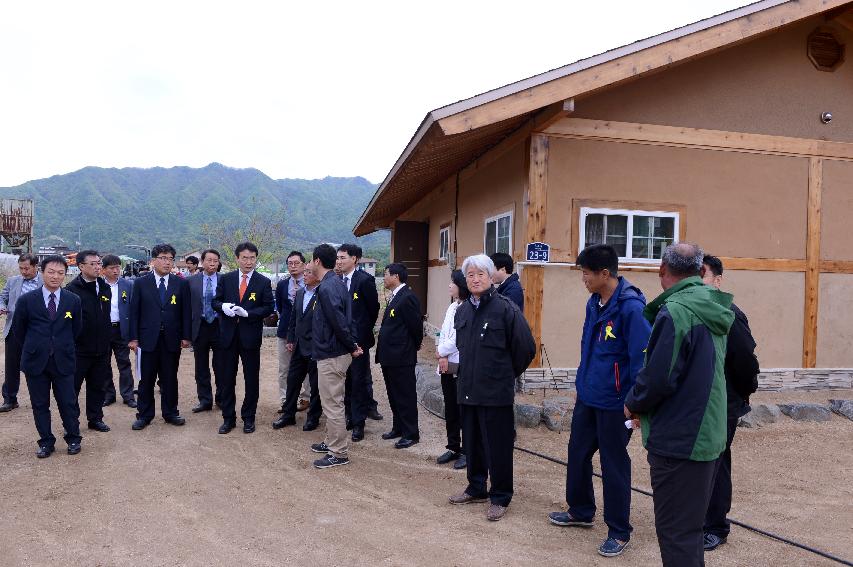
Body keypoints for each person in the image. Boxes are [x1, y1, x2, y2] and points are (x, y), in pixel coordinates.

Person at [624, 243, 733, 567]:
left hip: (682, 438)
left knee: (676, 533)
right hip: (708, 431)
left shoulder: (677, 312)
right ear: (701, 272)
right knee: (688, 530)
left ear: (662, 271)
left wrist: (632, 403)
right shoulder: (713, 305)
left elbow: (659, 377)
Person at [547, 244, 652, 558]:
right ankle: (580, 510)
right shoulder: (594, 302)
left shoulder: (631, 308)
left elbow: (641, 361)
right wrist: (582, 384)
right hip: (589, 397)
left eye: (587, 273)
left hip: (616, 403)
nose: (584, 279)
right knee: (577, 453)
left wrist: (635, 404)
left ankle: (619, 531)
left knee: (613, 464)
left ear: (605, 273)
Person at [449, 254, 536, 522]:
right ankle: (476, 487)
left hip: (495, 393)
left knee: (497, 447)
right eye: (470, 275)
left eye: (481, 274)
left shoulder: (505, 308)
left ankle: (500, 496)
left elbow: (525, 349)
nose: (475, 279)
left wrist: (503, 376)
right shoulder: (462, 310)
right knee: (472, 444)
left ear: (490, 277)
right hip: (468, 390)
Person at [701, 255, 760, 552]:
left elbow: (746, 361)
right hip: (698, 401)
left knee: (717, 461)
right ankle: (698, 518)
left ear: (718, 281)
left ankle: (716, 526)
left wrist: (742, 392)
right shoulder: (690, 310)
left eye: (704, 275)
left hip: (725, 401)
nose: (698, 281)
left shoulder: (729, 315)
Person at [13, 255, 82, 458]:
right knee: (40, 403)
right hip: (36, 360)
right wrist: (36, 346)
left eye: (60, 273)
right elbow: (19, 330)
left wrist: (61, 345)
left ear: (65, 274)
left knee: (68, 401)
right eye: (51, 272)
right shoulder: (27, 300)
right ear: (42, 272)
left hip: (63, 359)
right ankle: (46, 442)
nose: (55, 276)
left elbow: (77, 329)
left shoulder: (73, 300)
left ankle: (73, 438)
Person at [211, 242, 274, 434]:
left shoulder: (263, 281)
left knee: (251, 379)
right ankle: (228, 419)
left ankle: (249, 418)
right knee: (227, 379)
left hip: (250, 337)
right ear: (237, 258)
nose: (248, 261)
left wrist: (249, 313)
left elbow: (268, 307)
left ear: (256, 259)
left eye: (252, 258)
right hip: (228, 337)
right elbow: (215, 301)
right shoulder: (226, 279)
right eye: (245, 258)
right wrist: (223, 308)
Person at [128, 243, 192, 430]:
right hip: (147, 339)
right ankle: (144, 415)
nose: (167, 262)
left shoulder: (181, 283)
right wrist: (133, 338)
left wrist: (186, 336)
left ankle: (171, 412)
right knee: (146, 378)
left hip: (172, 339)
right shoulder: (140, 283)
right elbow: (134, 312)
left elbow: (186, 311)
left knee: (170, 377)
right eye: (163, 258)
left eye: (170, 259)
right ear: (153, 260)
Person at [309, 243, 362, 469]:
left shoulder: (328, 287)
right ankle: (331, 441)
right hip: (334, 351)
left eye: (311, 261)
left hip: (333, 353)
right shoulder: (335, 283)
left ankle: (338, 452)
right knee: (331, 401)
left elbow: (338, 321)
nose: (309, 265)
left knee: (332, 404)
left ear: (317, 261)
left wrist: (351, 345)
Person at [65, 250, 113, 433]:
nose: (97, 267)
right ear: (81, 266)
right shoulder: (71, 290)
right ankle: (71, 422)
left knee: (97, 386)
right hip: (79, 350)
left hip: (101, 348)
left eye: (98, 263)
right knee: (72, 388)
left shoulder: (104, 286)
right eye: (92, 264)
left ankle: (95, 418)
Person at [338, 243, 382, 442]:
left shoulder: (365, 280)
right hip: (340, 340)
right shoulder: (336, 280)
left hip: (359, 341)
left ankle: (358, 423)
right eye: (337, 258)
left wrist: (361, 333)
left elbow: (373, 309)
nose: (339, 261)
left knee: (358, 381)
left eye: (343, 257)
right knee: (344, 380)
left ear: (354, 259)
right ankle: (348, 415)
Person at [376, 263, 423, 449]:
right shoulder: (396, 296)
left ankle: (411, 433)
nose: (384, 278)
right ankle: (398, 427)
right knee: (394, 394)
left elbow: (416, 328)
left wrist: (412, 346)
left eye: (386, 274)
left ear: (395, 276)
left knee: (405, 395)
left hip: (402, 356)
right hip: (390, 356)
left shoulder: (408, 297)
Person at [273, 263, 322, 431]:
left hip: (316, 347)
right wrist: (291, 339)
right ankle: (288, 415)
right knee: (292, 381)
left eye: (309, 272)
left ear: (317, 276)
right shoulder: (300, 293)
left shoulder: (322, 293)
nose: (305, 275)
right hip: (299, 347)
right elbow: (294, 319)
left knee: (315, 385)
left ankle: (313, 418)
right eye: (306, 271)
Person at [0, 253, 42, 413]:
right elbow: (2, 297)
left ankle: (38, 400)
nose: (24, 271)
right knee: (11, 367)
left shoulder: (44, 282)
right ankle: (10, 399)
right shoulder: (13, 281)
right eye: (21, 268)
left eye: (27, 268)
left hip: (36, 331)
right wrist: (1, 306)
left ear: (35, 266)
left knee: (38, 365)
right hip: (14, 329)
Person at [435, 269, 468, 470]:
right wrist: (441, 354)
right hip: (446, 361)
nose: (449, 286)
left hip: (460, 363)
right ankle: (453, 446)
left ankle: (467, 451)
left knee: (463, 410)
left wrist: (441, 352)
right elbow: (444, 331)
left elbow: (458, 337)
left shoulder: (468, 308)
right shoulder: (453, 306)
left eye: (452, 282)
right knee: (451, 407)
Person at [188, 249, 224, 413]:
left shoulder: (225, 280)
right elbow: (186, 308)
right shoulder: (191, 281)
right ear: (202, 262)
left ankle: (222, 399)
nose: (212, 263)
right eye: (209, 260)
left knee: (221, 365)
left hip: (219, 325)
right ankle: (205, 400)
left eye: (215, 260)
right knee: (201, 366)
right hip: (200, 326)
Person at [274, 251, 310, 414]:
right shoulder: (282, 285)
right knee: (284, 369)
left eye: (296, 263)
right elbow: (281, 308)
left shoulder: (311, 283)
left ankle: (306, 398)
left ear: (304, 264)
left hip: (307, 333)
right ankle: (285, 400)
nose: (293, 266)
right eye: (290, 263)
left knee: (308, 367)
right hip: (284, 332)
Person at [101, 254, 136, 408]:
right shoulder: (98, 285)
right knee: (104, 364)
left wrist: (134, 335)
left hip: (122, 329)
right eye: (112, 268)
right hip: (104, 329)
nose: (116, 271)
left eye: (118, 267)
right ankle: (108, 395)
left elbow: (133, 309)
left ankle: (128, 395)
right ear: (103, 270)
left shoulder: (128, 285)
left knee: (124, 363)